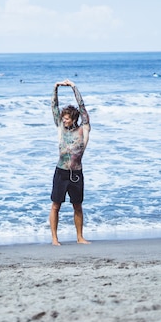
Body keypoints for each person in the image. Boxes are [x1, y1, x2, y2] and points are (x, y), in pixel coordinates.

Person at [49, 79, 91, 246]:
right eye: (63, 118)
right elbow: (54, 107)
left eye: (66, 118)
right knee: (55, 206)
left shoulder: (84, 129)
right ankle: (54, 239)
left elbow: (82, 108)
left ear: (73, 119)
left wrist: (74, 87)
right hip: (61, 172)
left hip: (77, 173)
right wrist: (56, 88)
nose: (64, 120)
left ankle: (80, 237)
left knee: (77, 206)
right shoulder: (60, 128)